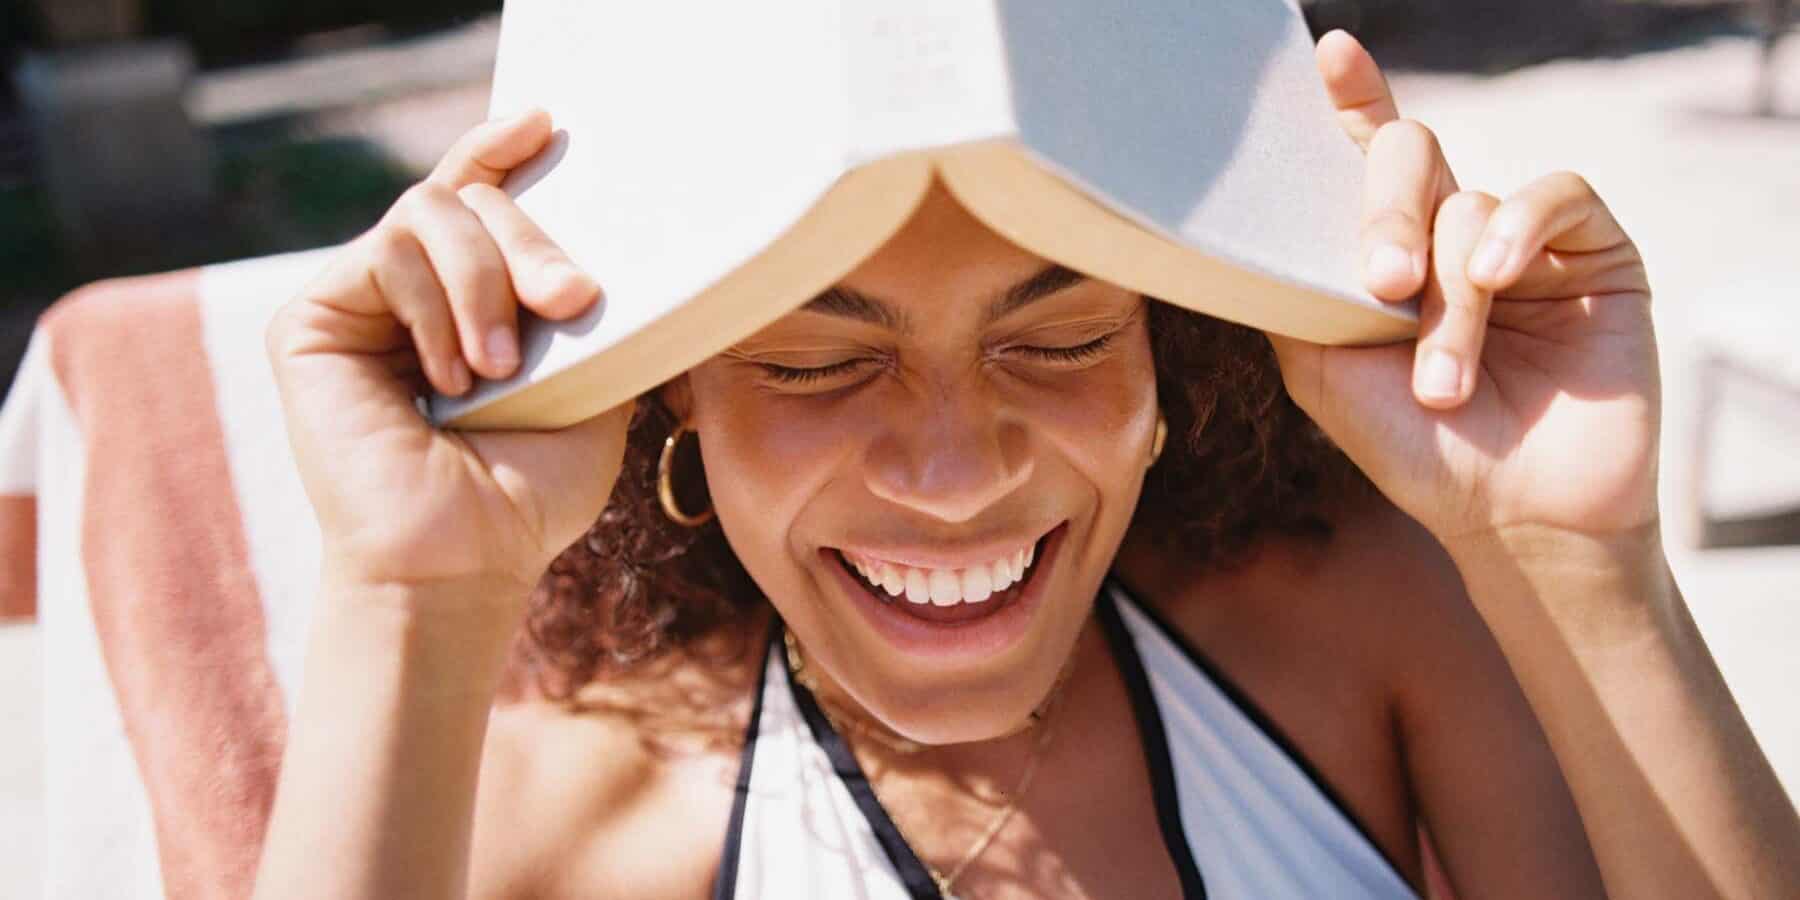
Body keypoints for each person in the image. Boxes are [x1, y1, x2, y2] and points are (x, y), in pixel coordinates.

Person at [252, 30, 1799, 900]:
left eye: (1057, 340)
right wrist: (406, 593)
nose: (952, 468)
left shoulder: (1370, 627)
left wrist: (1579, 566)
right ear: (668, 409)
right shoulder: (552, 825)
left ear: (1174, 359)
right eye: (812, 361)